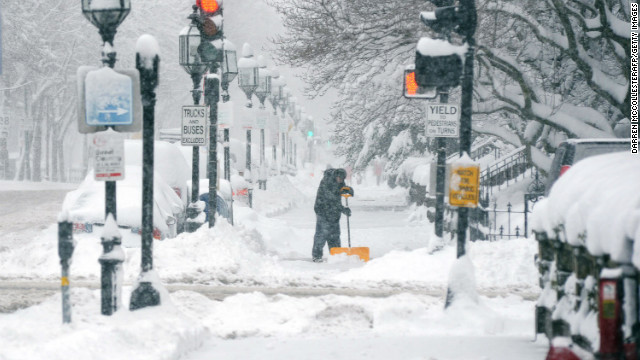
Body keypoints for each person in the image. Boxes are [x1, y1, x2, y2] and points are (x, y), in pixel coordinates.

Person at [312, 168, 352, 262]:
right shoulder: (326, 182)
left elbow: (343, 189)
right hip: (323, 211)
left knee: (334, 235)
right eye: (339, 178)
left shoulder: (340, 182)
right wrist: (343, 209)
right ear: (335, 176)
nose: (341, 180)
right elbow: (331, 199)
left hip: (334, 213)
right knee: (322, 234)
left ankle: (336, 255)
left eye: (342, 179)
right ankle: (317, 256)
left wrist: (349, 191)